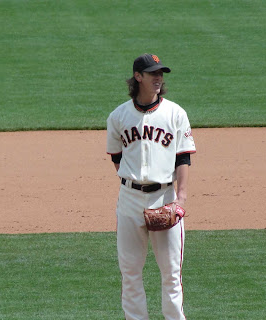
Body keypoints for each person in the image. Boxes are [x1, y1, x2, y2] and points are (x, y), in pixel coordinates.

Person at [106, 53, 196, 320]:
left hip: (165, 197)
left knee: (171, 273)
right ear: (138, 77)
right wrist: (134, 184)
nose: (159, 78)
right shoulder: (118, 116)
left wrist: (180, 198)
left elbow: (183, 156)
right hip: (130, 200)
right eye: (153, 73)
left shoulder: (175, 113)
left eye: (161, 73)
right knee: (130, 272)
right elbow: (116, 157)